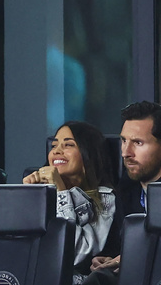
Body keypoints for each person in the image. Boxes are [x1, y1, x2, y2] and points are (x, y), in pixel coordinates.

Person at [82, 101, 161, 285]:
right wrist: (105, 258)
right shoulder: (126, 189)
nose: (126, 152)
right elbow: (118, 245)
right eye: (124, 141)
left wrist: (132, 259)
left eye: (137, 143)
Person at [23, 121, 118, 285]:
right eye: (54, 146)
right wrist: (28, 197)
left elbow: (76, 255)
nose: (57, 151)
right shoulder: (41, 192)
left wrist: (61, 192)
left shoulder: (105, 198)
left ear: (88, 153)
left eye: (68, 145)